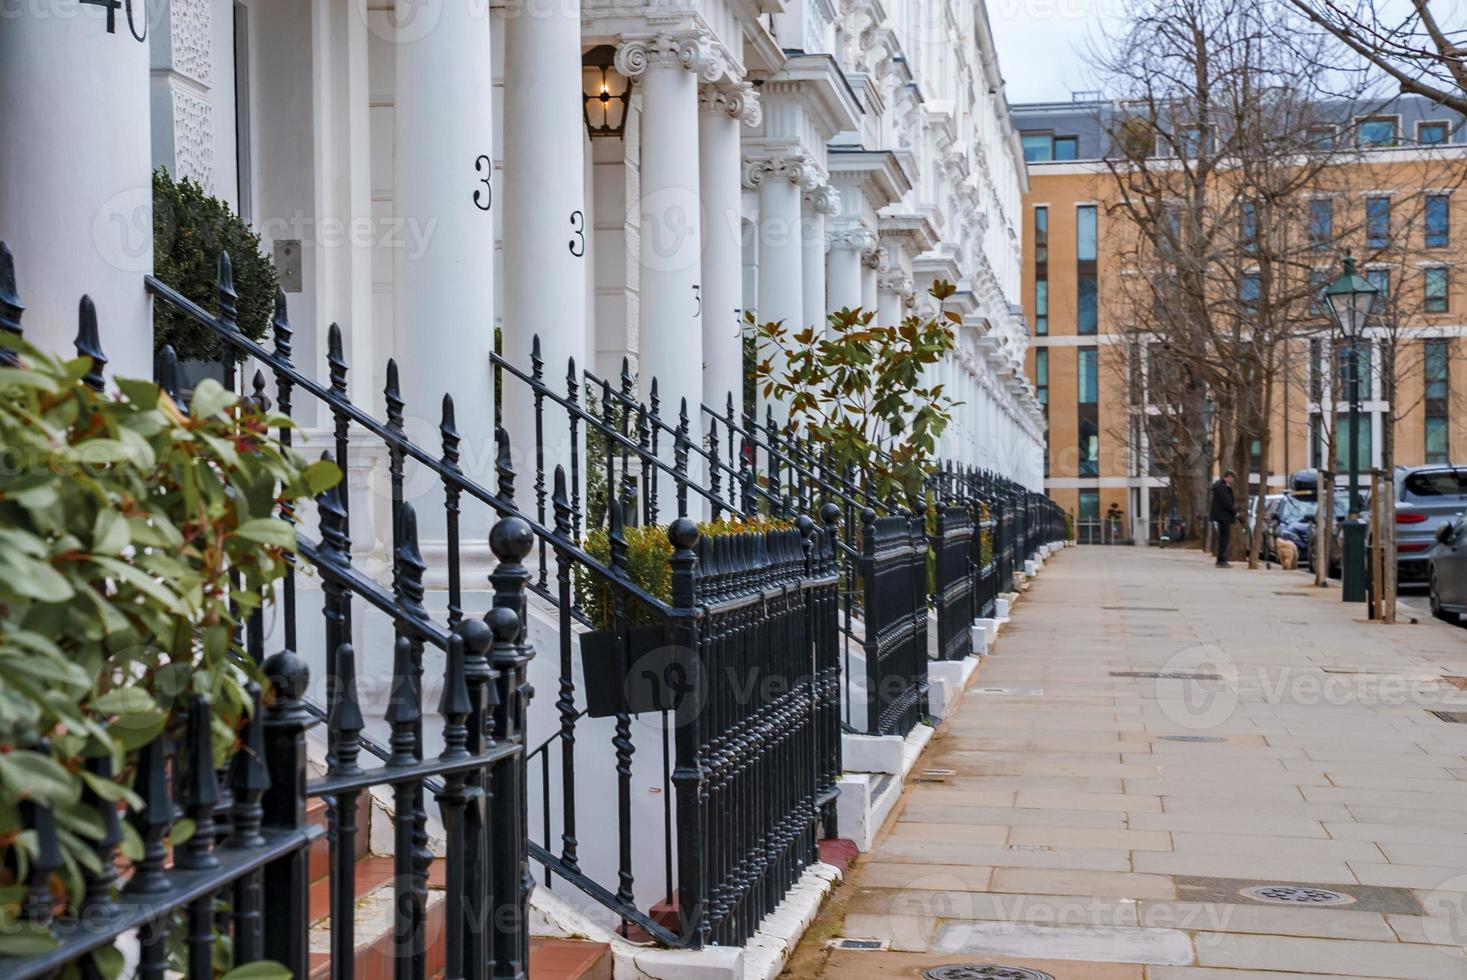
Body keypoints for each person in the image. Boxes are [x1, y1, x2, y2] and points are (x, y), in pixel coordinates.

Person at [1210, 470, 1237, 567]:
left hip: (1221, 516)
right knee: (1224, 539)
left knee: (1223, 538)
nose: (1233, 480)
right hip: (1224, 516)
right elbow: (1227, 503)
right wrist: (1235, 512)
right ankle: (1222, 560)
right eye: (1232, 477)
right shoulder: (1223, 488)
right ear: (1228, 477)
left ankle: (1221, 559)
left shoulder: (1220, 487)